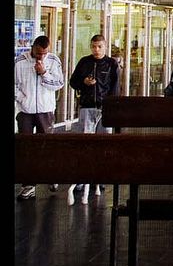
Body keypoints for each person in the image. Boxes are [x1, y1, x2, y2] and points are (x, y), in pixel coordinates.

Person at [15, 35, 64, 201]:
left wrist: (44, 73)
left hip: (45, 109)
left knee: (47, 145)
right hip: (25, 111)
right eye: (38, 53)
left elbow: (59, 84)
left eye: (44, 53)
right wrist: (22, 98)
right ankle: (28, 185)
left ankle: (51, 176)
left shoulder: (53, 61)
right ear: (33, 48)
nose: (41, 56)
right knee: (26, 148)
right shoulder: (20, 61)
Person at [69, 34, 119, 134]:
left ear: (105, 46)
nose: (96, 50)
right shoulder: (84, 62)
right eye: (93, 46)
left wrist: (112, 106)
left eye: (99, 46)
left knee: (104, 137)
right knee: (86, 138)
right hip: (87, 106)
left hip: (104, 107)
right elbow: (73, 82)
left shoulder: (111, 64)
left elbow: (115, 87)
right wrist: (84, 82)